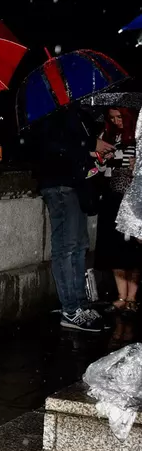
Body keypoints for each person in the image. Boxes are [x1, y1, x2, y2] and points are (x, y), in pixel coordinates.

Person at [28, 103, 115, 331]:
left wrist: (92, 154)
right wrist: (90, 144)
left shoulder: (73, 113)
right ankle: (70, 309)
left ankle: (78, 304)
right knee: (67, 248)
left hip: (73, 183)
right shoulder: (50, 111)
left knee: (78, 246)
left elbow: (69, 148)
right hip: (60, 185)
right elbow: (51, 146)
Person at [93, 107, 139, 314]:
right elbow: (97, 168)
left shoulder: (138, 134)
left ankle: (132, 297)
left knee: (132, 248)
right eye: (112, 117)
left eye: (119, 116)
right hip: (112, 195)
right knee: (113, 247)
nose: (116, 121)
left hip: (133, 198)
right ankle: (121, 296)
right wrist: (102, 160)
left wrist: (136, 166)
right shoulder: (106, 135)